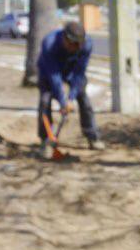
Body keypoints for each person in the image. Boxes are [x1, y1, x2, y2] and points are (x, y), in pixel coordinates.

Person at [37, 20, 102, 156]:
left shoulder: (86, 45)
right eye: (73, 44)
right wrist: (62, 101)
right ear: (64, 38)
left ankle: (92, 136)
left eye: (79, 45)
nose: (77, 48)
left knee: (83, 98)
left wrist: (71, 98)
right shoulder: (49, 43)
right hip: (48, 71)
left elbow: (79, 73)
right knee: (45, 101)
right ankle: (45, 140)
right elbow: (54, 76)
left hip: (72, 71)